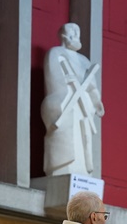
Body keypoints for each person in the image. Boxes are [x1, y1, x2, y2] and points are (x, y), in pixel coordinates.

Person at [41, 23, 104, 177]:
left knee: (83, 136)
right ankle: (62, 167)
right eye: (72, 33)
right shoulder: (55, 53)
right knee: (66, 132)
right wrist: (67, 84)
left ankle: (82, 170)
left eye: (78, 33)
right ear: (63, 36)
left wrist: (96, 101)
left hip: (84, 105)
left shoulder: (84, 60)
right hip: (67, 101)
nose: (76, 36)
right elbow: (54, 78)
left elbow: (92, 85)